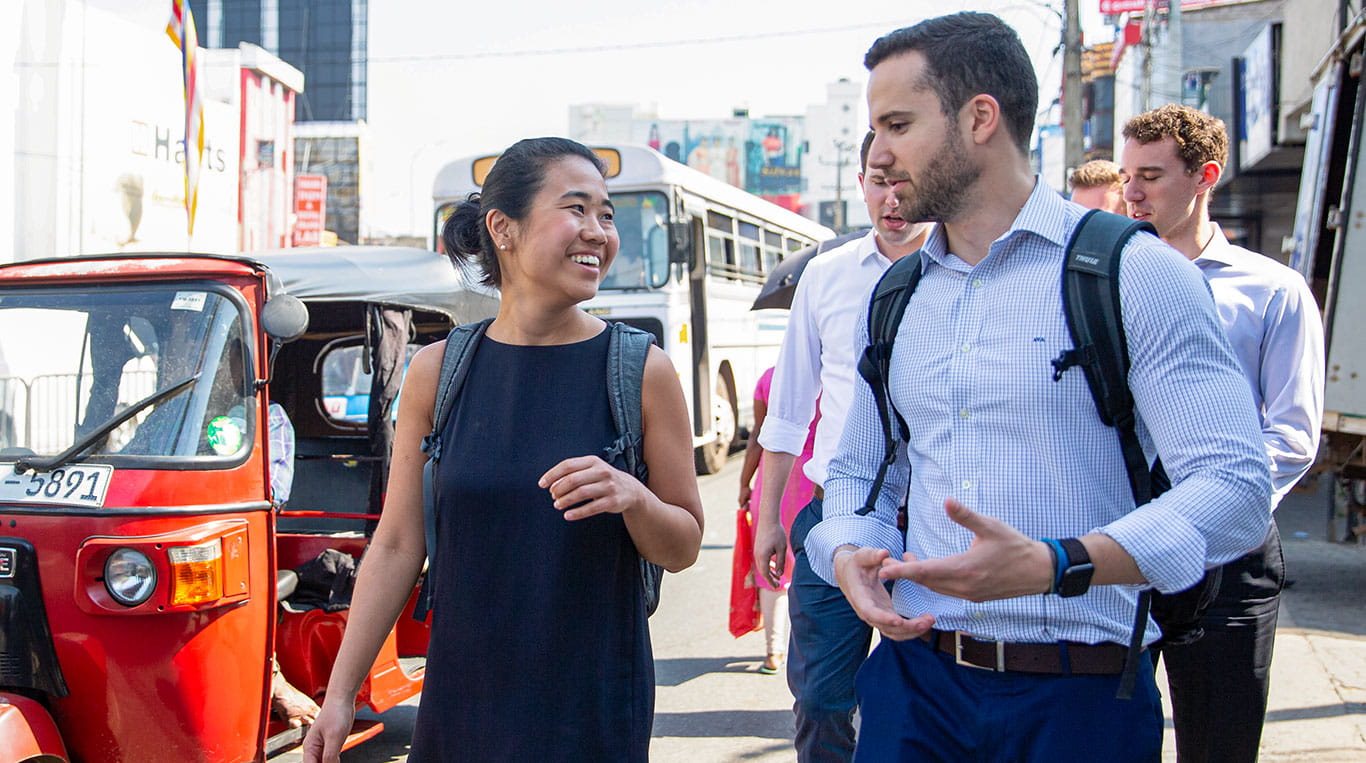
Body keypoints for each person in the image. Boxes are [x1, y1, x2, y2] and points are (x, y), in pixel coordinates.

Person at [805, 13, 1271, 759]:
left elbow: (1237, 487)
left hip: (1081, 694)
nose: (879, 157)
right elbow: (861, 469)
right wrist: (850, 551)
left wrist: (1063, 560)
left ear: (979, 117)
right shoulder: (897, 295)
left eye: (897, 123)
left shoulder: (1136, 273)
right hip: (914, 687)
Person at [302, 137, 704, 763]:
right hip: (464, 703)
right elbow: (398, 544)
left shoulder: (640, 370)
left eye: (606, 214)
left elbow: (682, 546)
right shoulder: (438, 372)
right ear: (503, 229)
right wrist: (339, 694)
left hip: (592, 708)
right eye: (576, 209)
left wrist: (633, 497)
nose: (598, 231)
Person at [1120, 103, 1325, 762]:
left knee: (1218, 746)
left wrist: (1202, 513)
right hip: (1115, 545)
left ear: (1204, 176)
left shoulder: (1274, 292)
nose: (1131, 191)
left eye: (1150, 174)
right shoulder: (1101, 285)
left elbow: (1292, 432)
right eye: (1127, 174)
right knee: (1105, 740)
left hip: (1226, 560)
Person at [753, 129, 930, 761]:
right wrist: (769, 517)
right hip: (834, 515)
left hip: (934, 518)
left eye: (905, 178)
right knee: (823, 696)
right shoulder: (825, 276)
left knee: (925, 696)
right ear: (860, 185)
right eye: (879, 180)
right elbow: (789, 410)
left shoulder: (969, 267)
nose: (893, 196)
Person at [736, 367, 818, 674]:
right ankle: (809, 649)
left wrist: (745, 482)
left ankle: (773, 652)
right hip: (818, 482)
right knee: (816, 567)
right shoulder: (835, 374)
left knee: (773, 567)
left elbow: (758, 437)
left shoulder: (769, 379)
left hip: (774, 483)